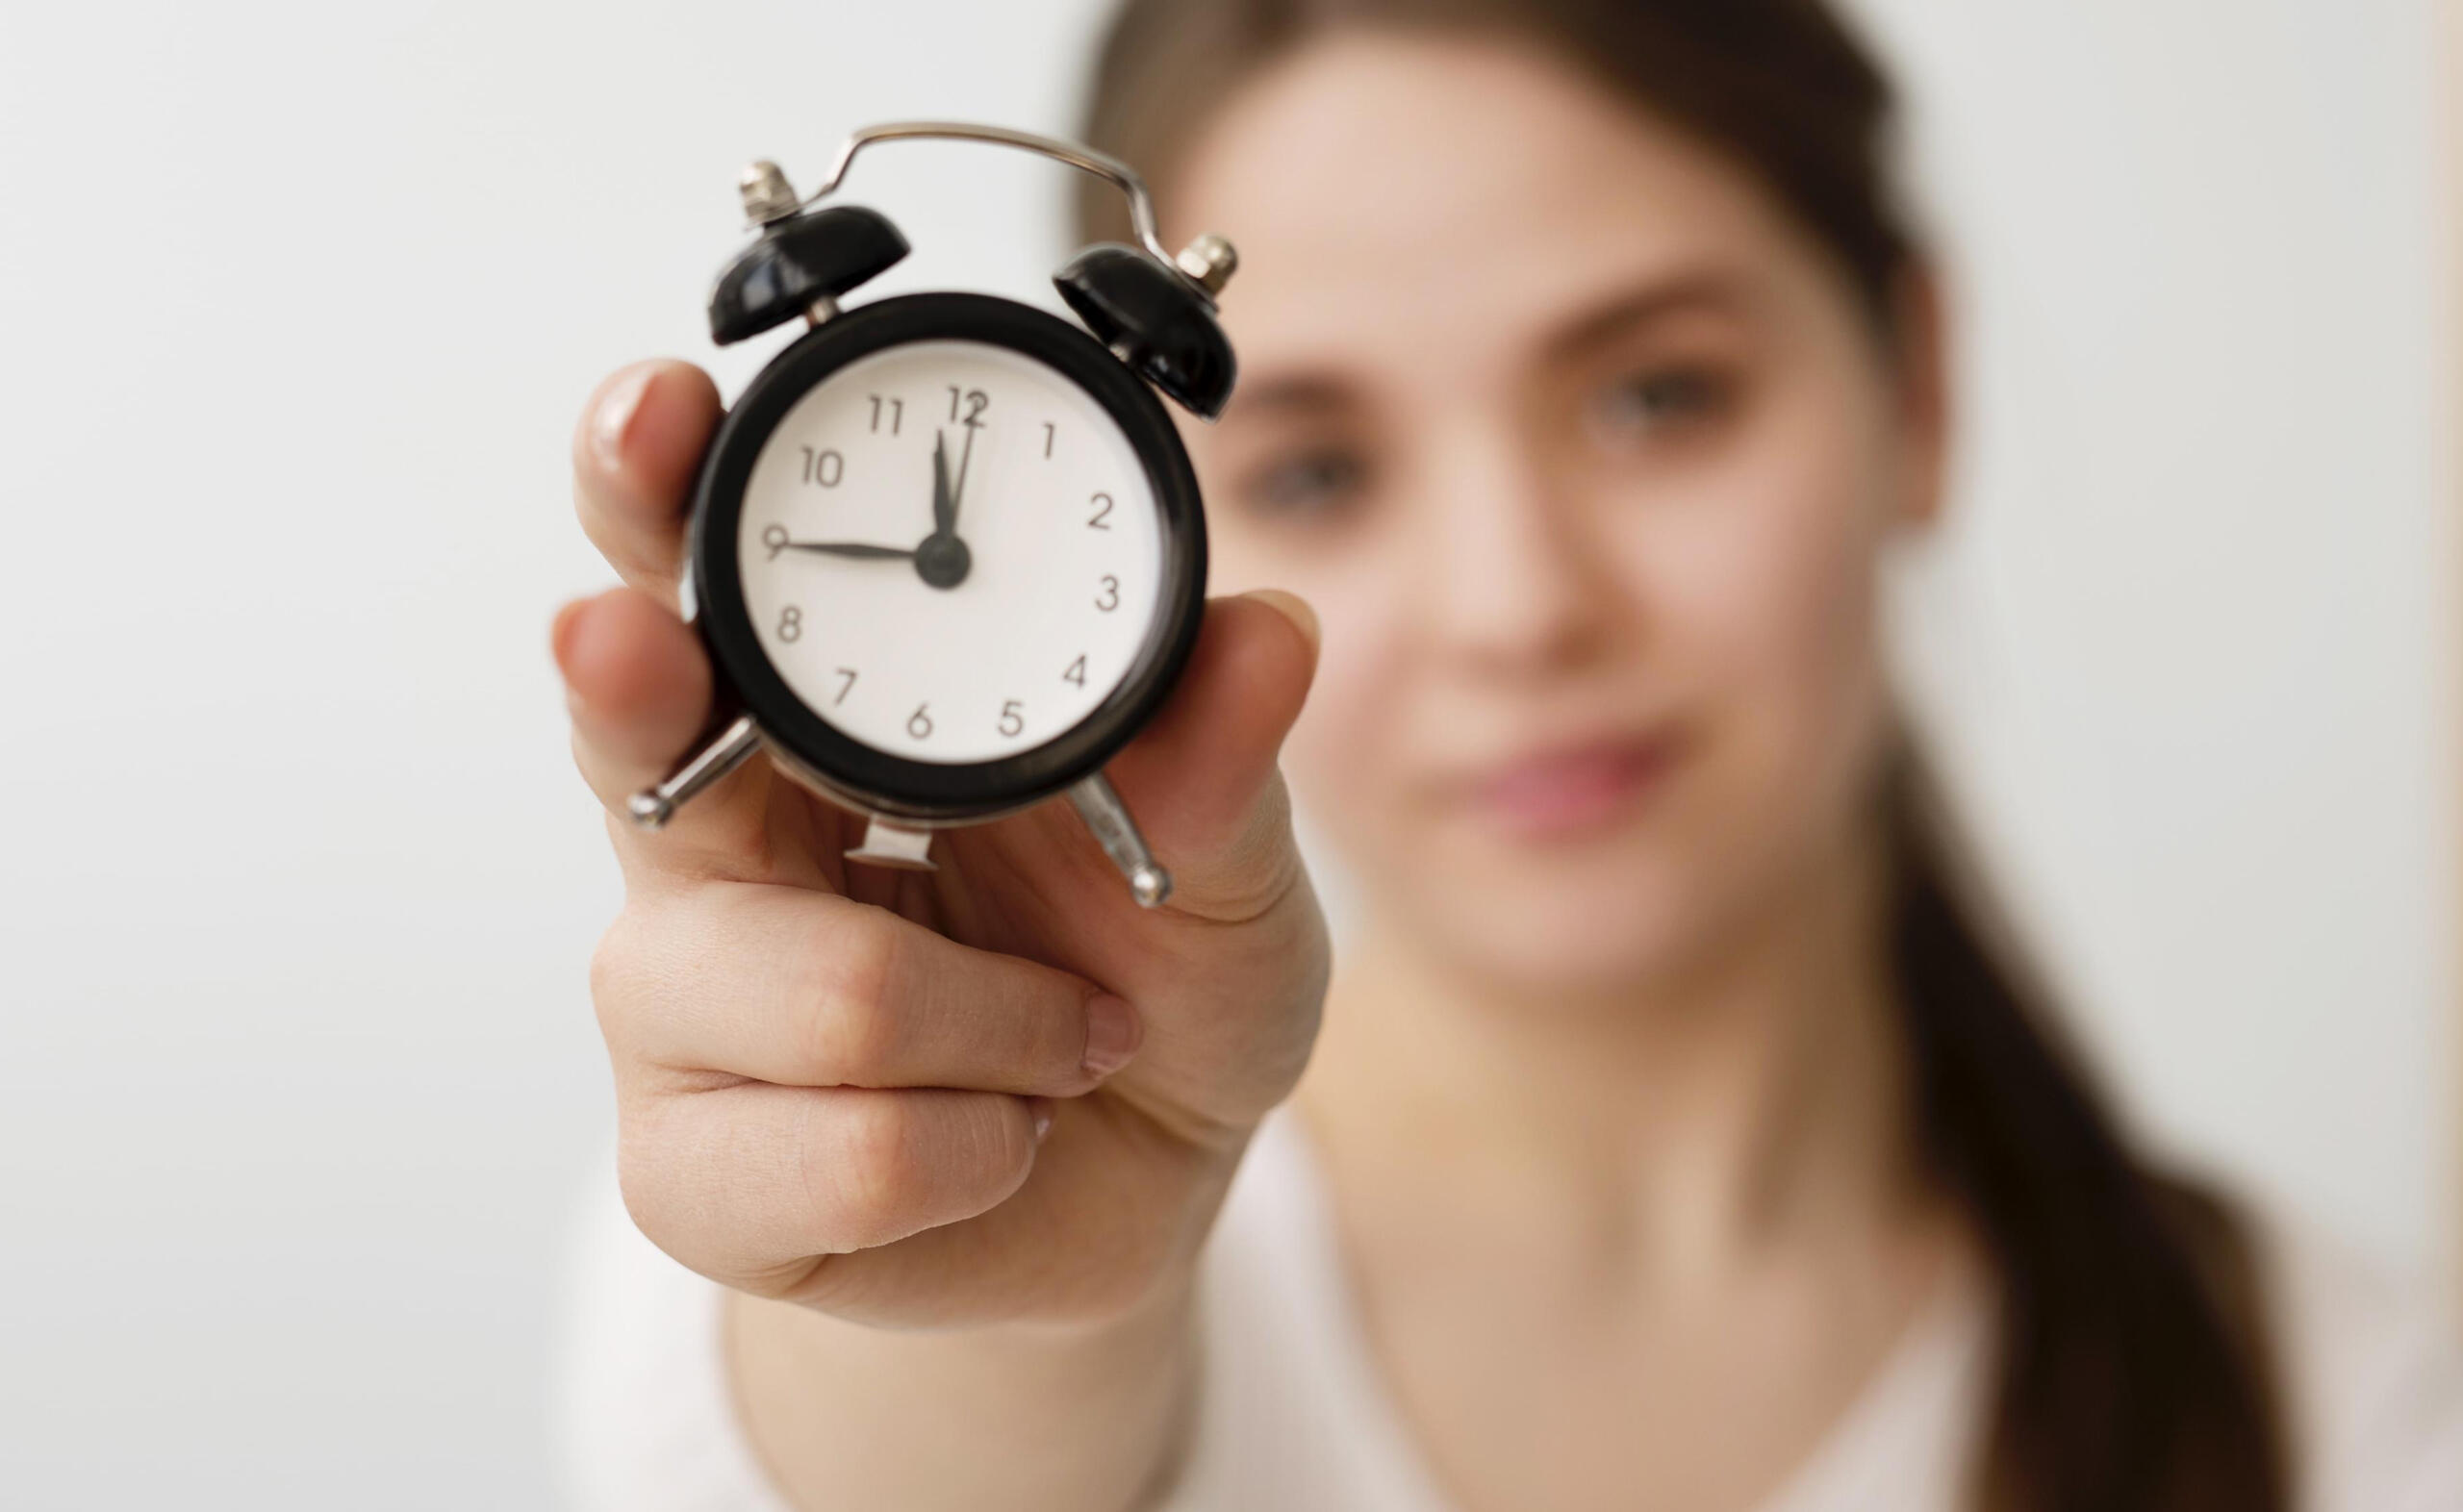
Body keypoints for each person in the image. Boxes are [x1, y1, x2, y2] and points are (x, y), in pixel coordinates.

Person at [548, 2, 2463, 1508]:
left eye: (1654, 396)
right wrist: (1019, 1296)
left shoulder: (2341, 1406)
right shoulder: (841, 1215)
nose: (1514, 606)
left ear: (1921, 387)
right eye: (1316, 467)